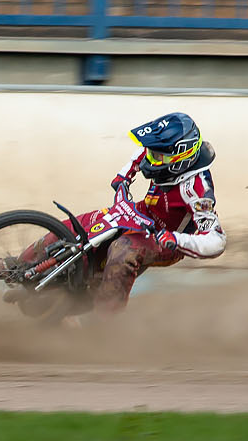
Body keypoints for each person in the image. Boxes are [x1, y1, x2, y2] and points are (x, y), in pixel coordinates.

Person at [26, 112, 226, 317]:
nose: (151, 160)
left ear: (180, 157)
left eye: (157, 157)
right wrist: (125, 175)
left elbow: (217, 240)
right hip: (141, 213)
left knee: (123, 250)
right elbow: (143, 152)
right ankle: (19, 266)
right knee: (81, 225)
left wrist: (175, 239)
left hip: (163, 239)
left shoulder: (198, 190)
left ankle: (104, 321)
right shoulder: (163, 152)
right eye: (152, 154)